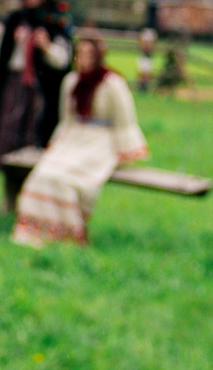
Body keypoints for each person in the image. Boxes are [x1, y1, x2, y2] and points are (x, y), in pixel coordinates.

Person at [9, 31, 148, 248]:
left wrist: (127, 150)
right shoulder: (71, 82)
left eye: (89, 55)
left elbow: (124, 121)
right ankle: (40, 231)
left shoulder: (112, 83)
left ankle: (69, 233)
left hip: (101, 141)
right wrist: (57, 144)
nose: (84, 60)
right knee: (44, 173)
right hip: (74, 139)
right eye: (80, 54)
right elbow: (67, 120)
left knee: (68, 179)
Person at [0, 0, 73, 208]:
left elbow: (63, 60)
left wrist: (46, 47)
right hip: (13, 87)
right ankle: (9, 198)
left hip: (40, 92)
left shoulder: (55, 22)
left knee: (34, 143)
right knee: (9, 142)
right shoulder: (14, 20)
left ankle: (31, 201)